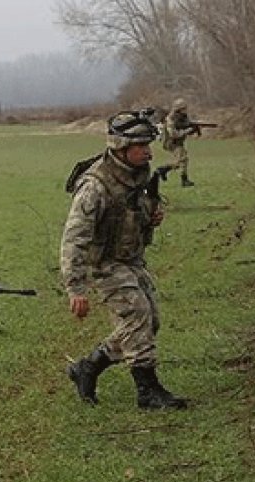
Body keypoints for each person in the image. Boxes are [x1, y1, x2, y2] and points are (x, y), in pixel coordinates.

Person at [60, 110, 189, 410]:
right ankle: (148, 390)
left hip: (131, 259)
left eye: (148, 144)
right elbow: (74, 238)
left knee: (148, 322)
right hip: (105, 263)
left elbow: (135, 211)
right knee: (137, 314)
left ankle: (87, 367)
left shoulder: (138, 173)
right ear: (120, 147)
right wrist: (75, 288)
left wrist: (151, 216)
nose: (148, 151)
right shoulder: (95, 186)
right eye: (140, 146)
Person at [161, 98, 197, 187]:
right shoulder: (170, 119)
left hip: (178, 142)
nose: (186, 110)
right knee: (181, 160)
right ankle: (163, 170)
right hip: (171, 142)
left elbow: (185, 126)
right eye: (184, 108)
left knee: (183, 160)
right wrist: (188, 130)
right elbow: (174, 134)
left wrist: (193, 129)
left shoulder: (183, 118)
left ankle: (184, 180)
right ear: (179, 109)